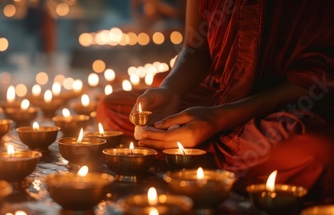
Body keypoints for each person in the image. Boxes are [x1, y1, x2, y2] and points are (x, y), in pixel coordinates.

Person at [96, 0, 334, 200]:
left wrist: (221, 119)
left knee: (313, 152)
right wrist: (171, 89)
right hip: (214, 95)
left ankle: (182, 150)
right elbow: (194, 48)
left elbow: (315, 79)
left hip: (283, 105)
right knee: (112, 108)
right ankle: (198, 149)